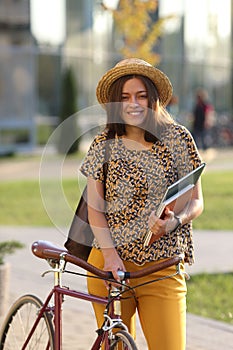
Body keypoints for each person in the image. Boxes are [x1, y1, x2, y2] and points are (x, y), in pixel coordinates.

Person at [80, 58, 204, 350]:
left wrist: (173, 222)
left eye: (140, 95)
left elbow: (196, 202)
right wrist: (110, 258)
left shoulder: (178, 139)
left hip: (162, 267)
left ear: (153, 98)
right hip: (109, 268)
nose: (132, 104)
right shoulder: (103, 144)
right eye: (124, 97)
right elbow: (95, 209)